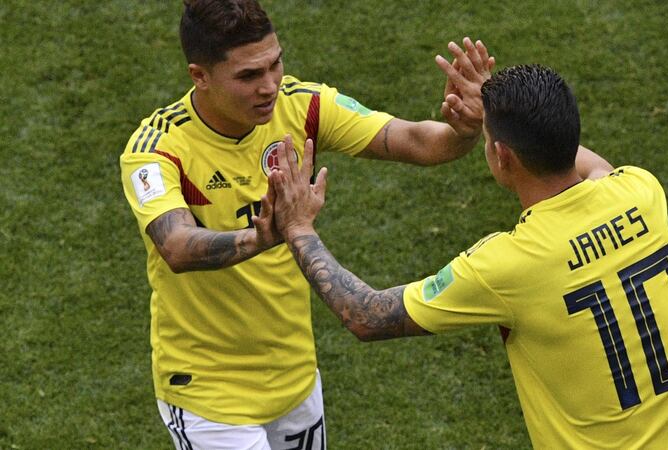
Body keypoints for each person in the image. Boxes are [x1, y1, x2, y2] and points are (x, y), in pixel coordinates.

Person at [265, 64, 668, 448]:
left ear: (501, 156)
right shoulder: (641, 192)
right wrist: (503, 109)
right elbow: (588, 165)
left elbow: (366, 315)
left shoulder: (507, 265)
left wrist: (299, 228)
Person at [118, 0, 493, 447]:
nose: (270, 86)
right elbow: (176, 246)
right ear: (200, 76)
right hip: (207, 393)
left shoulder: (303, 106)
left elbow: (417, 141)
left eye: (275, 64)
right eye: (249, 76)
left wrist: (465, 129)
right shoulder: (157, 148)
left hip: (294, 378)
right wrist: (266, 236)